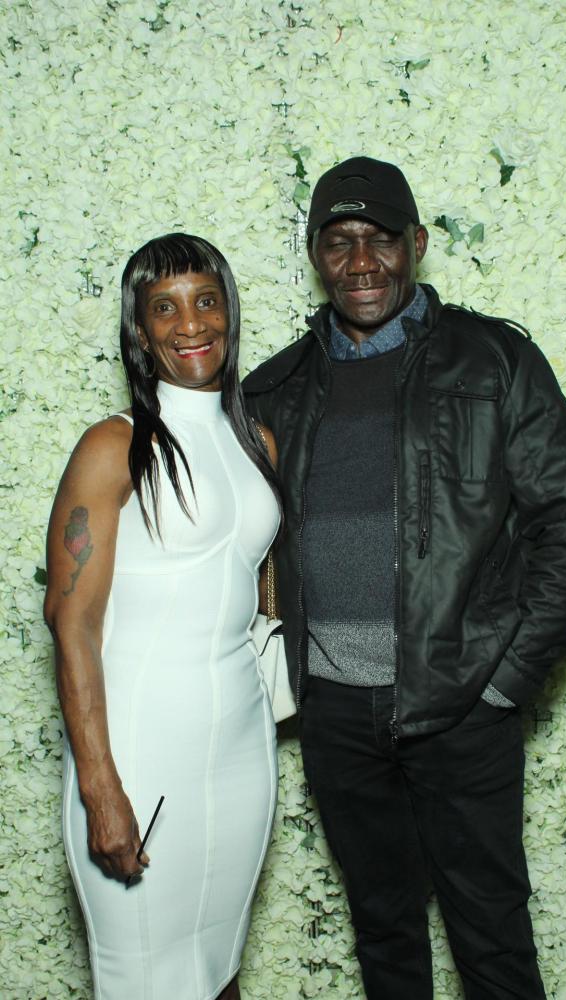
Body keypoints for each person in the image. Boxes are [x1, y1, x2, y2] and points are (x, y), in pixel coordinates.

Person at [243, 157, 566, 999]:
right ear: (315, 255)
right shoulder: (275, 388)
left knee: (491, 939)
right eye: (338, 242)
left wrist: (505, 682)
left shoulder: (493, 362)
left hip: (460, 706)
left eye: (379, 238)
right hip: (335, 713)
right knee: (383, 935)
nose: (360, 262)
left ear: (415, 243)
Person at [44, 233, 281, 1000]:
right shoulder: (113, 446)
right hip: (141, 752)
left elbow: (252, 577)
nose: (191, 324)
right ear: (140, 331)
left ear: (228, 312)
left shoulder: (257, 442)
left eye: (205, 301)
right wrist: (99, 789)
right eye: (165, 309)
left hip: (242, 753)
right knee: (145, 979)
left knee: (218, 971)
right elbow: (71, 623)